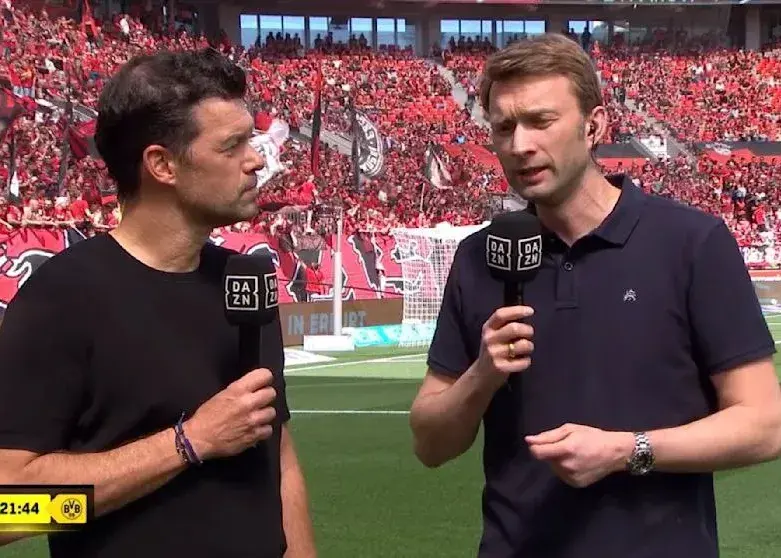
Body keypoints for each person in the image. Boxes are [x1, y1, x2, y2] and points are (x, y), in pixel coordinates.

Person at [409, 33, 781, 558]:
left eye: (541, 121)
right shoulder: (478, 257)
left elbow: (765, 425)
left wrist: (628, 450)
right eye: (504, 127)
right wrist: (483, 374)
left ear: (595, 126)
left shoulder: (691, 243)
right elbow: (430, 445)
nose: (520, 145)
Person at [0, 48, 317, 558]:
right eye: (232, 145)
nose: (257, 160)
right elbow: (11, 511)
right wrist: (187, 443)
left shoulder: (246, 282)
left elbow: (278, 458)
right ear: (162, 165)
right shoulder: (62, 299)